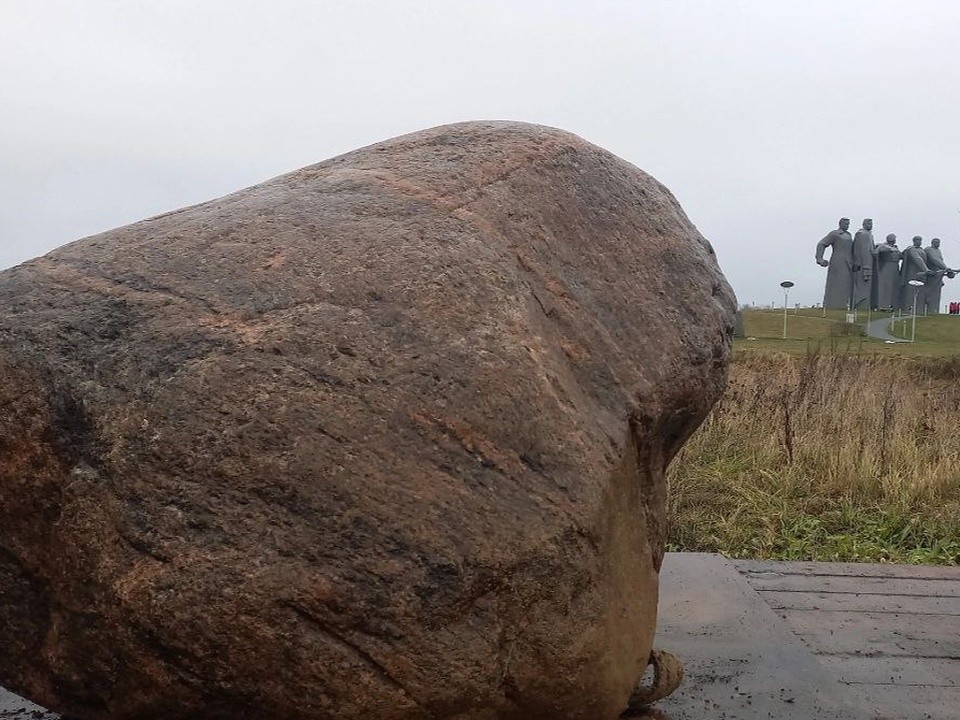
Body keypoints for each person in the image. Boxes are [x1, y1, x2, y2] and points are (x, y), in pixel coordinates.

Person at [816, 218, 854, 309]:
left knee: (846, 285)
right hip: (838, 261)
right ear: (840, 224)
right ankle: (831, 305)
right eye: (845, 224)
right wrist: (820, 258)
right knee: (835, 284)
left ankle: (843, 305)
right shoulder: (835, 234)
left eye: (848, 224)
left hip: (848, 263)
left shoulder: (849, 235)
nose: (847, 226)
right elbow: (821, 244)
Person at [921, 238, 956, 315]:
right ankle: (926, 309)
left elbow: (940, 261)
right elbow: (934, 259)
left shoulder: (938, 251)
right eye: (936, 242)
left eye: (939, 242)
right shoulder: (928, 249)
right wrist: (945, 267)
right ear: (932, 242)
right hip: (931, 275)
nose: (938, 243)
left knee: (936, 295)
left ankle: (933, 311)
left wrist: (948, 271)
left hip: (939, 275)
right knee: (928, 293)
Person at [899, 236, 930, 312]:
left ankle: (918, 309)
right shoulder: (911, 249)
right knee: (910, 290)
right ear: (914, 241)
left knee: (919, 291)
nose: (919, 242)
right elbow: (917, 259)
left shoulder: (922, 251)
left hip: (921, 274)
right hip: (911, 273)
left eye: (920, 240)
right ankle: (908, 308)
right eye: (917, 240)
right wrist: (926, 270)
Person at [852, 218, 875, 309]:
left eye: (871, 223)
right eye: (869, 223)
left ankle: (863, 305)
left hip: (865, 264)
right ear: (863, 224)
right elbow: (864, 251)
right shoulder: (864, 234)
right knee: (863, 288)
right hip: (864, 265)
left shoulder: (868, 234)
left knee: (865, 288)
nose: (871, 225)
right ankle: (861, 306)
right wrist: (866, 266)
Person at [874, 233, 901, 310]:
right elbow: (877, 252)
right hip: (886, 267)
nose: (895, 240)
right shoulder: (883, 246)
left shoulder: (895, 247)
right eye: (894, 239)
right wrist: (888, 249)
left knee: (893, 287)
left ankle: (890, 304)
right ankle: (882, 305)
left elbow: (900, 255)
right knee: (885, 286)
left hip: (895, 267)